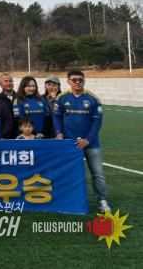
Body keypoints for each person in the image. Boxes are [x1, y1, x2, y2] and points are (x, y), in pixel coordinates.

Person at [53, 70, 110, 213]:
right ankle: (68, 198)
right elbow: (57, 117)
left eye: (80, 80)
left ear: (84, 81)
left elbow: (97, 123)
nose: (77, 82)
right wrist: (59, 132)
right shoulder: (62, 97)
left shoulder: (93, 99)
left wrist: (87, 139)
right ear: (68, 81)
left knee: (97, 173)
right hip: (69, 144)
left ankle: (102, 201)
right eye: (74, 80)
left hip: (91, 143)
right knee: (68, 173)